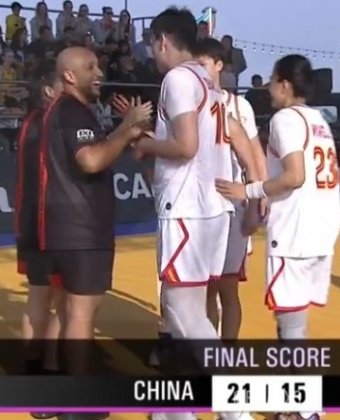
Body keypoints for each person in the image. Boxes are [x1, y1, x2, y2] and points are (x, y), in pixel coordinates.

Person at [128, 8, 247, 420]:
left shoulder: (178, 79)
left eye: (152, 44)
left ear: (163, 40)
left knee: (184, 312)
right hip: (210, 208)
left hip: (187, 208)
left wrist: (145, 145)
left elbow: (185, 146)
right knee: (186, 312)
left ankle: (235, 411)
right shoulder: (208, 82)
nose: (152, 52)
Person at [216, 55, 340, 420]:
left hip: (296, 232)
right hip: (322, 228)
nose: (269, 88)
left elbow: (294, 176)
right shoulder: (319, 120)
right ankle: (297, 406)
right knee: (293, 323)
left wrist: (250, 191)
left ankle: (303, 409)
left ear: (285, 85)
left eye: (273, 81)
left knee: (291, 326)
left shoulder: (285, 119)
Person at [39, 46, 152, 420]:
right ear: (70, 76)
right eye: (90, 67)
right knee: (82, 314)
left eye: (99, 66)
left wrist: (125, 130)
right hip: (83, 229)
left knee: (67, 309)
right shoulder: (73, 111)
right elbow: (91, 159)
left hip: (65, 227)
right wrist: (125, 128)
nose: (99, 72)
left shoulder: (61, 109)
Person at [196, 36, 268, 340]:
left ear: (218, 66)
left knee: (227, 287)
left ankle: (228, 350)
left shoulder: (239, 106)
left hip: (231, 206)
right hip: (200, 207)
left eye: (202, 64)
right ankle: (209, 350)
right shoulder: (191, 103)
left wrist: (259, 197)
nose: (197, 70)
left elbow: (254, 155)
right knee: (205, 290)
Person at [14, 69, 64, 420]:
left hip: (30, 223)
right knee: (64, 304)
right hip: (51, 226)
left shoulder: (30, 122)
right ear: (48, 89)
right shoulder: (49, 124)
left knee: (38, 301)